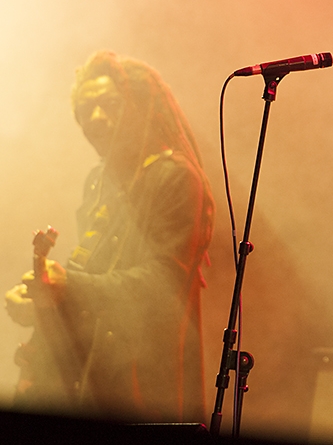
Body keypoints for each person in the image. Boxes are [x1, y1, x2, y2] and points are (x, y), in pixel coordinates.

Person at [4, 51, 215, 423]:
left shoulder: (175, 177)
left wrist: (68, 285)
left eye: (110, 104)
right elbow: (95, 279)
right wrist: (43, 300)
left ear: (140, 108)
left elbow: (162, 286)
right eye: (86, 111)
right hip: (94, 383)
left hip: (145, 394)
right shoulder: (99, 181)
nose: (97, 118)